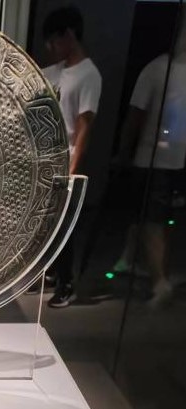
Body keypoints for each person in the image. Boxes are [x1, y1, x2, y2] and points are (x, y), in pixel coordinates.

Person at [114, 19, 186, 308]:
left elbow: (136, 116)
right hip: (172, 159)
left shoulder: (157, 70)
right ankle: (130, 259)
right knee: (154, 217)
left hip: (153, 160)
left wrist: (123, 151)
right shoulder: (162, 70)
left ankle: (159, 280)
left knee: (151, 220)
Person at [41, 5, 102, 308]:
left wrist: (72, 173)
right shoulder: (56, 71)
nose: (50, 48)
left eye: (53, 41)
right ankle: (53, 273)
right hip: (47, 159)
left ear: (69, 35)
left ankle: (67, 284)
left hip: (67, 159)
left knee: (64, 226)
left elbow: (84, 126)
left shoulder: (88, 74)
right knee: (47, 223)